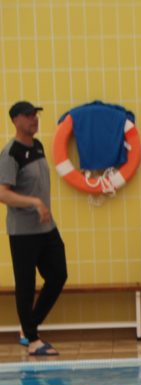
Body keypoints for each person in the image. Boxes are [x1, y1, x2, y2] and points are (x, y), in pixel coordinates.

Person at [0, 101, 66, 356]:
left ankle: (28, 327)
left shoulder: (37, 146)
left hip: (46, 228)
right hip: (23, 232)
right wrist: (35, 202)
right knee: (26, 284)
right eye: (29, 116)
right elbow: (3, 194)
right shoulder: (10, 153)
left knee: (58, 274)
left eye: (36, 115)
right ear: (16, 120)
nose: (34, 119)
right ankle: (33, 340)